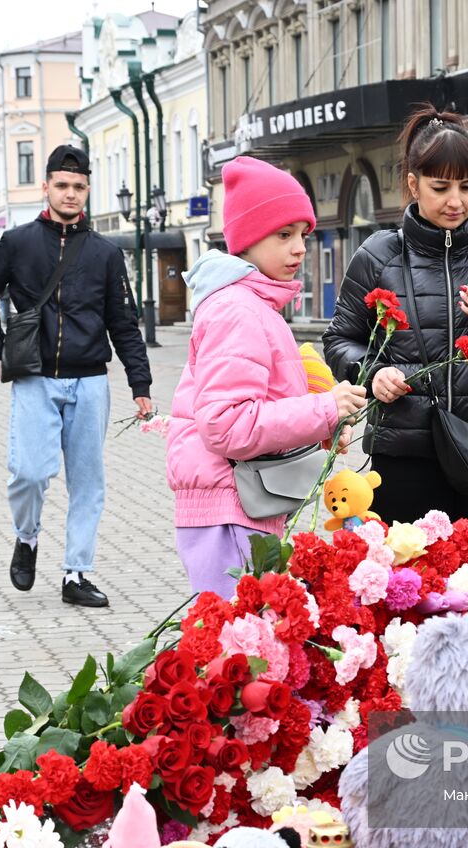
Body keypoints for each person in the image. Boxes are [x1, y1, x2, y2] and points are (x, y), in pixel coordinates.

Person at [324, 107, 468, 524]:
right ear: (413, 185)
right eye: (440, 187)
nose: (456, 201)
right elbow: (339, 339)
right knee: (408, 582)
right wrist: (372, 371)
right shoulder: (378, 256)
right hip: (406, 455)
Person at [167, 156, 366, 597]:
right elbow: (227, 424)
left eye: (303, 235)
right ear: (249, 239)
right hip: (229, 508)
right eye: (283, 235)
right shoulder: (237, 310)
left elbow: (261, 407)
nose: (299, 248)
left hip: (240, 501)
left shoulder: (253, 306)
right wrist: (324, 408)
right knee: (237, 651)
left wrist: (323, 425)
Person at [0, 143, 154, 608]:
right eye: (62, 185)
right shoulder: (17, 243)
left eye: (79, 187)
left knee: (88, 482)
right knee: (29, 473)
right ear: (46, 186)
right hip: (35, 380)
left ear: (88, 190)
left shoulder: (106, 253)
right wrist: (4, 350)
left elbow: (123, 322)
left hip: (91, 381)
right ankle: (26, 538)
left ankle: (76, 573)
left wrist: (141, 385)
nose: (70, 194)